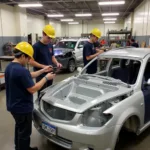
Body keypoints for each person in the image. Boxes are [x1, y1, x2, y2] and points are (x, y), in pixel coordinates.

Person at [5, 42, 55, 150]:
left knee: (19, 128)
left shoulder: (10, 67)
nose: (29, 61)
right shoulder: (21, 70)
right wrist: (46, 78)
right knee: (25, 133)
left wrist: (43, 70)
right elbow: (33, 89)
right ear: (23, 56)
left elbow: (28, 75)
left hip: (13, 106)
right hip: (22, 108)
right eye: (28, 58)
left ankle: (20, 147)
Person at [30, 25, 62, 97]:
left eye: (51, 38)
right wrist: (43, 67)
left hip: (50, 74)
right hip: (41, 75)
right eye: (48, 38)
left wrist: (57, 63)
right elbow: (31, 61)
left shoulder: (50, 45)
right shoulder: (36, 47)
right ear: (43, 34)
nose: (50, 40)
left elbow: (52, 57)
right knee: (41, 94)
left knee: (49, 92)